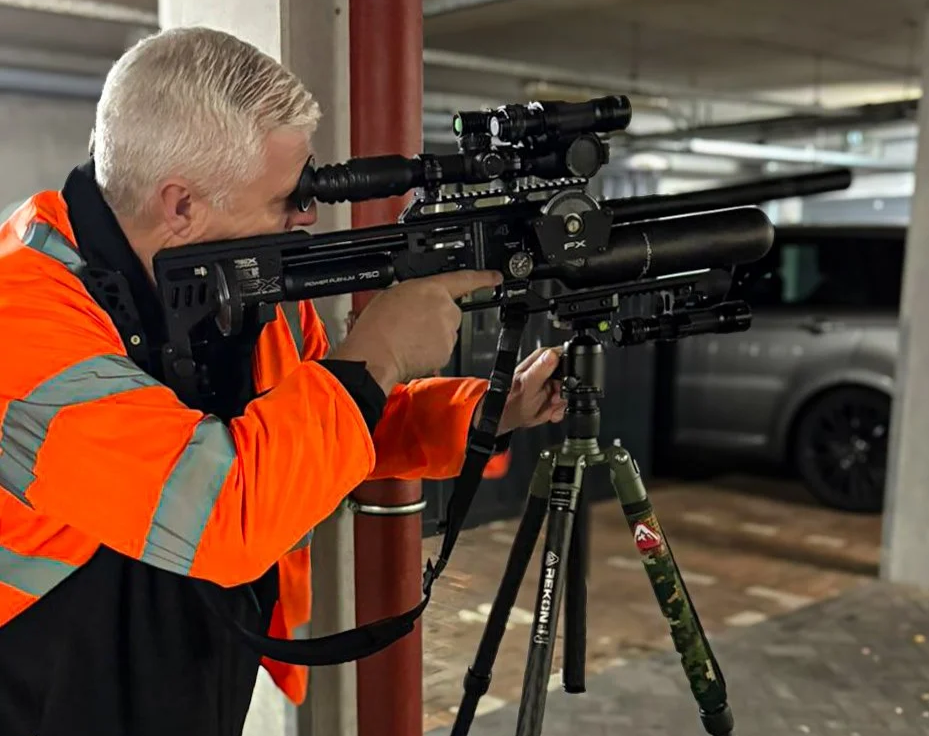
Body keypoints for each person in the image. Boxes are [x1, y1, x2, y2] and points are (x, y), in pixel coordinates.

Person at [0, 26, 566, 736]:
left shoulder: (239, 284)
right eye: (289, 195)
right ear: (181, 206)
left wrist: (484, 412)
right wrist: (377, 355)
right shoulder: (20, 316)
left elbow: (324, 429)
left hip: (189, 684)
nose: (308, 213)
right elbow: (224, 511)